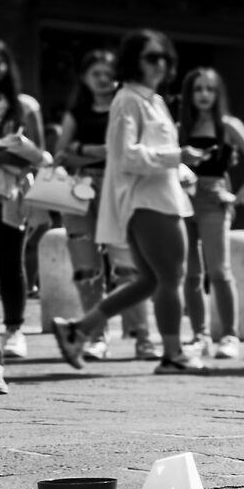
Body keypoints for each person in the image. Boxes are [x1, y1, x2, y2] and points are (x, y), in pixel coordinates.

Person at [52, 30, 202, 373]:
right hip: (148, 201)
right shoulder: (128, 100)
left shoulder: (155, 100)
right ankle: (172, 354)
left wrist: (178, 163)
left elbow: (145, 155)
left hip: (161, 197)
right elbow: (126, 156)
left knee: (149, 281)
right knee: (170, 278)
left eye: (164, 56)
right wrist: (178, 156)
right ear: (133, 60)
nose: (160, 64)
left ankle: (77, 331)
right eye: (151, 57)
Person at [54, 49, 156, 361]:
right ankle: (95, 337)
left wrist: (82, 148)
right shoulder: (76, 112)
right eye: (95, 73)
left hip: (118, 188)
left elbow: (126, 152)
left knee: (128, 265)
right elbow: (61, 154)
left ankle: (143, 338)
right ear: (84, 78)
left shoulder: (124, 106)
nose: (103, 79)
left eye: (108, 73)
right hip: (77, 189)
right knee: (86, 267)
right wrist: (98, 151)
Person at [173, 67, 244, 360]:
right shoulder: (179, 127)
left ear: (218, 94)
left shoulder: (228, 125)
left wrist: (239, 196)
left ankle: (229, 335)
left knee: (219, 270)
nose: (204, 95)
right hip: (181, 200)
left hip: (213, 199)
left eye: (210, 89)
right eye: (198, 89)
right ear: (189, 94)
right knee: (190, 273)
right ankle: (199, 336)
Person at [0, 37, 51, 382]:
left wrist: (3, 155)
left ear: (7, 66)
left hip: (10, 190)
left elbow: (40, 155)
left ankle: (14, 329)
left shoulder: (24, 105)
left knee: (11, 258)